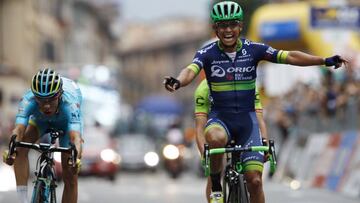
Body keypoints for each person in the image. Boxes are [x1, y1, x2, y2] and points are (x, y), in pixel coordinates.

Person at [163, 1, 348, 203]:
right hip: (220, 121)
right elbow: (191, 70)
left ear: (240, 26)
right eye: (222, 26)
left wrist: (323, 60)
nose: (228, 30)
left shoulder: (254, 49)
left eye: (232, 24)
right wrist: (178, 81)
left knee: (255, 182)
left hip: (247, 123)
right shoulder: (206, 53)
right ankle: (216, 183)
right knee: (214, 138)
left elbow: (289, 56)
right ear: (215, 28)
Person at [2, 68, 83, 203]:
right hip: (41, 121)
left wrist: (76, 156)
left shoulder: (70, 104)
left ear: (60, 94)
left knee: (70, 173)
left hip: (66, 124)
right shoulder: (28, 99)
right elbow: (19, 130)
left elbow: (76, 138)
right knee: (20, 148)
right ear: (35, 96)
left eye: (51, 99)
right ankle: (23, 200)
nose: (46, 106)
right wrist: (11, 149)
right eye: (41, 99)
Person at [194, 79, 268, 202]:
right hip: (219, 129)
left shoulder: (248, 83)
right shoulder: (204, 88)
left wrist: (264, 142)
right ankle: (216, 189)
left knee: (255, 181)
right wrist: (204, 153)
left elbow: (259, 118)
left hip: (246, 128)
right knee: (215, 164)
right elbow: (200, 127)